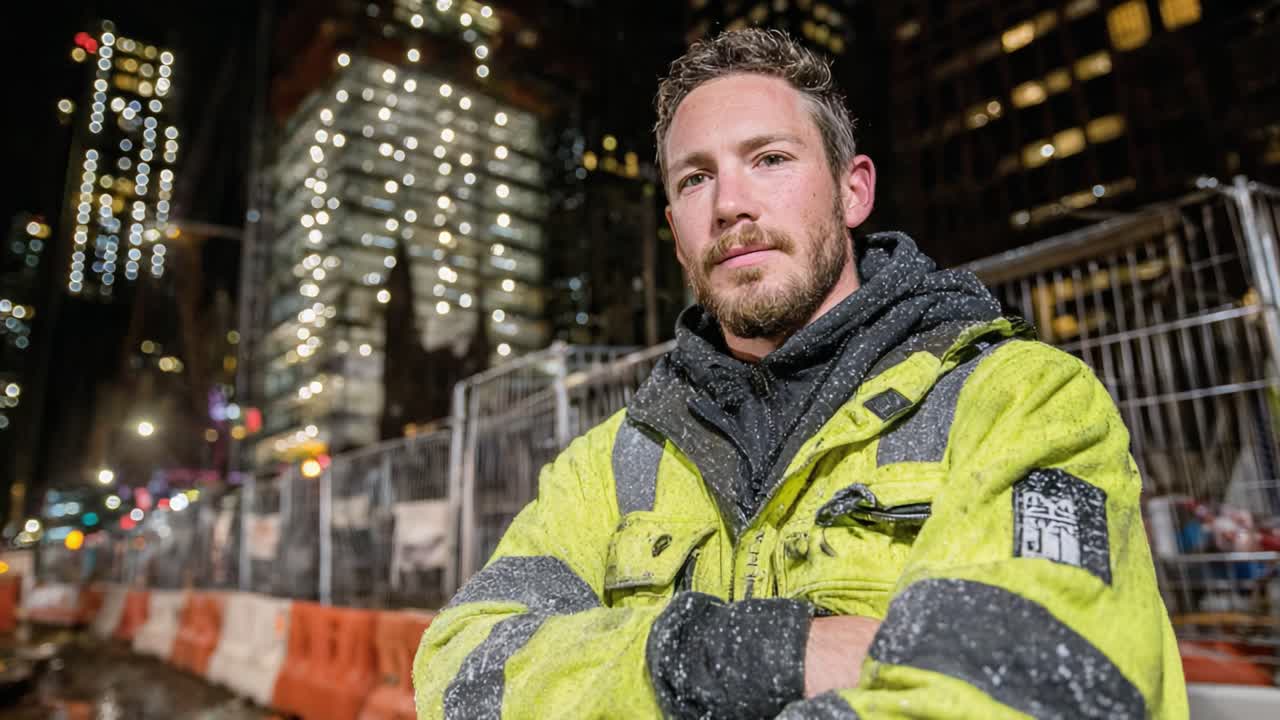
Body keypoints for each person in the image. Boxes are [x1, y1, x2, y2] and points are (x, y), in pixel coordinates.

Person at [412, 28, 1187, 719]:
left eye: (770, 159)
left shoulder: (1021, 400)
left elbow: (1048, 682)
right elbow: (463, 672)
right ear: (676, 233)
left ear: (854, 190)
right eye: (694, 180)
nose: (729, 204)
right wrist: (746, 655)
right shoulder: (612, 467)